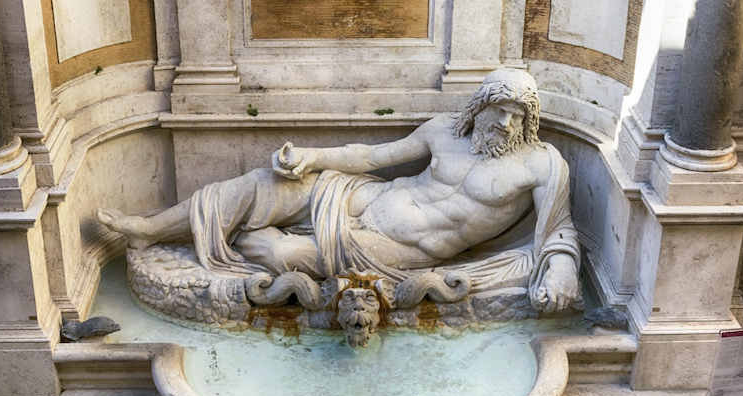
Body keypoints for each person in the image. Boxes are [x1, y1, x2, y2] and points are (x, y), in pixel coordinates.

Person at [98, 68, 582, 313]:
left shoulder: (540, 164)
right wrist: (314, 156)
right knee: (261, 184)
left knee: (276, 251)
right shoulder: (445, 131)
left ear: (529, 118)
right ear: (480, 106)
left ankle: (252, 244)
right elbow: (374, 158)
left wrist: (560, 269)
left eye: (518, 114)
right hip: (365, 196)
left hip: (395, 248)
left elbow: (559, 229)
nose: (506, 122)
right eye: (499, 108)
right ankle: (150, 229)